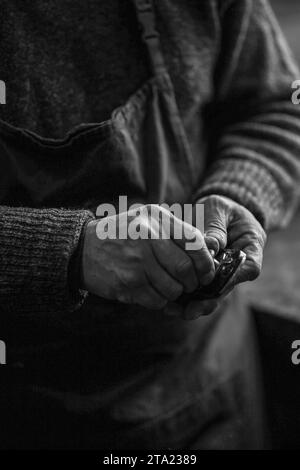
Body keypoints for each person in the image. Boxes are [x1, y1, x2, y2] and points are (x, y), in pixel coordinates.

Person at [0, 0, 299, 449]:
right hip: (36, 410)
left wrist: (238, 193)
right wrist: (71, 251)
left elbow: (277, 107)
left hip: (211, 370)